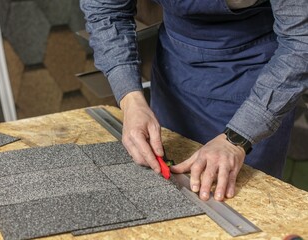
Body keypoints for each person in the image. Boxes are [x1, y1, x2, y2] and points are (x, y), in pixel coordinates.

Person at [80, 0, 308, 201]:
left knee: (238, 210)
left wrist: (238, 138)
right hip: (175, 74)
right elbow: (106, 10)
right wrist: (131, 100)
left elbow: (301, 42)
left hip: (253, 81)